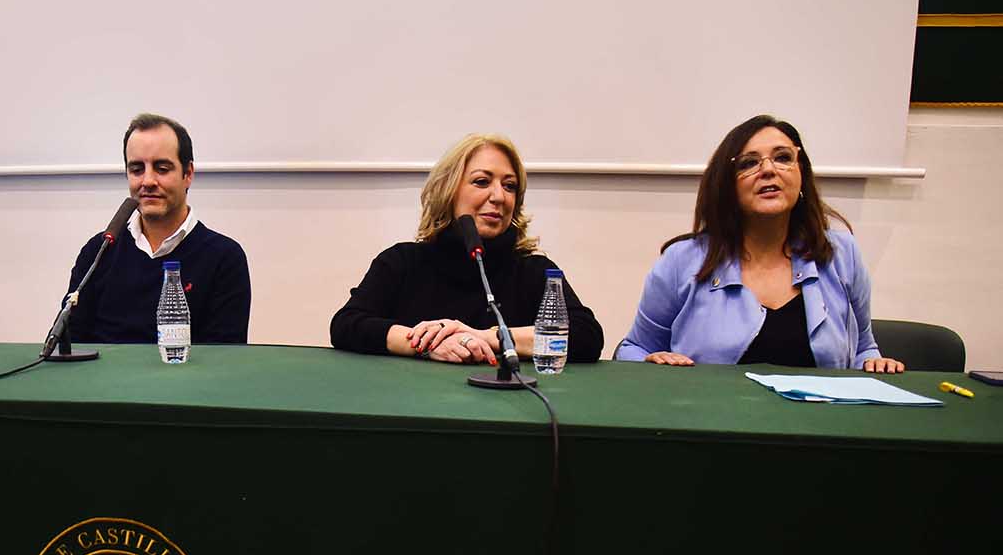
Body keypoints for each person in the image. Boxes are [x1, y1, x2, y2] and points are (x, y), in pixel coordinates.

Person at [615, 114, 903, 372]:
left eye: (783, 158)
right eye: (749, 163)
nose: (768, 170)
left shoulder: (842, 254)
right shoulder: (682, 260)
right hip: (710, 412)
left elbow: (863, 347)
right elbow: (633, 349)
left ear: (801, 174)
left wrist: (873, 363)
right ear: (727, 185)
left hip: (818, 415)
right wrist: (652, 362)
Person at [329, 133, 602, 364]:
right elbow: (347, 325)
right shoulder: (402, 262)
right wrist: (426, 343)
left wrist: (487, 337)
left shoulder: (534, 271)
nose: (499, 196)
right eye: (482, 182)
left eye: (509, 186)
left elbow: (586, 337)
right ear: (448, 190)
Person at [64, 113, 250, 344]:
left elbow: (225, 357)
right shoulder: (99, 252)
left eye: (162, 169)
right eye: (137, 169)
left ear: (188, 174)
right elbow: (68, 345)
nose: (148, 181)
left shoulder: (224, 258)